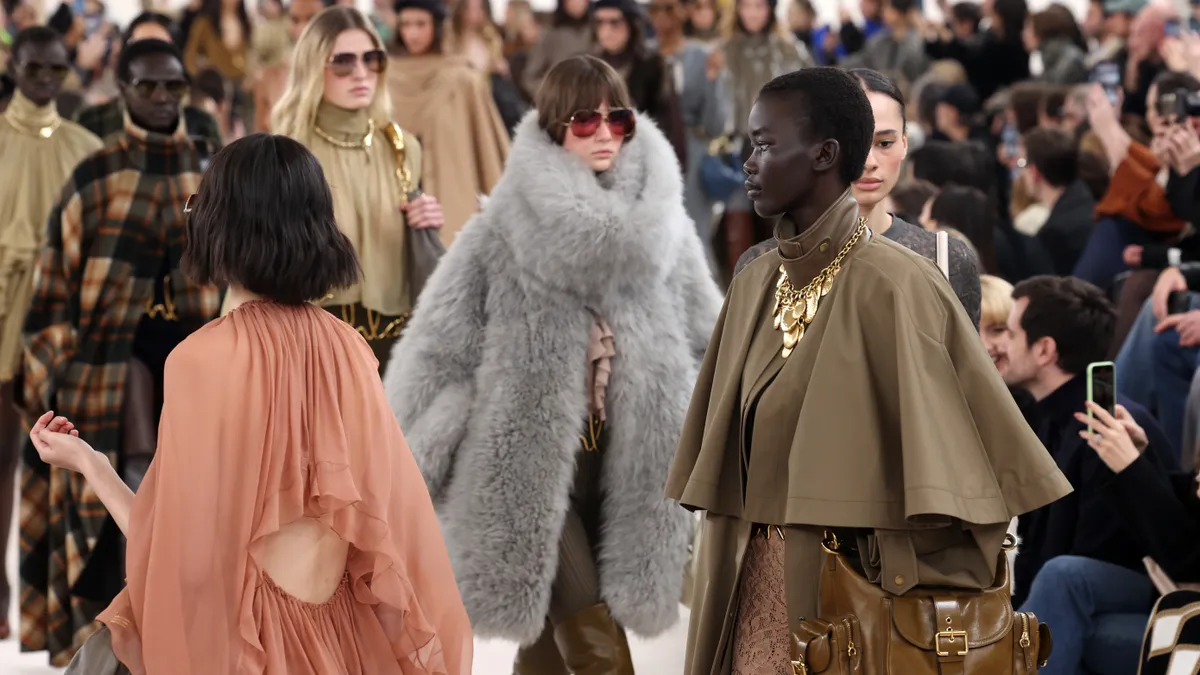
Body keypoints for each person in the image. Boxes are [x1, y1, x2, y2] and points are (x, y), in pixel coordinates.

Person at [665, 67, 1070, 675]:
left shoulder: (900, 286)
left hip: (851, 610)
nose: (748, 163)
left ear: (825, 154)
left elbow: (955, 482)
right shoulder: (754, 281)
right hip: (747, 596)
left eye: (766, 144)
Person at [32, 133, 472, 674]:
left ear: (221, 227)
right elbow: (388, 527)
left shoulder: (199, 360)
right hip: (342, 646)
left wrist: (90, 465)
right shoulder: (348, 349)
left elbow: (176, 557)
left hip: (247, 648)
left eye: (200, 205)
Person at [384, 55, 721, 674]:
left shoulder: (665, 232)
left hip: (631, 465)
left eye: (616, 119)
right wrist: (426, 449)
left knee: (545, 650)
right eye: (583, 120)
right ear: (551, 127)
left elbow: (710, 340)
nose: (602, 134)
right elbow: (436, 349)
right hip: (529, 468)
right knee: (592, 639)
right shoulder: (498, 235)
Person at [16, 38, 221, 666]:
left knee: (194, 518)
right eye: (147, 86)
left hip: (199, 363)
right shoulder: (96, 173)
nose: (162, 99)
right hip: (106, 367)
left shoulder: (212, 170)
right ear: (121, 89)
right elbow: (53, 289)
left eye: (174, 87)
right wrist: (59, 372)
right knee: (100, 527)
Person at [736, 68, 982, 328]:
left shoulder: (946, 259)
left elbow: (963, 367)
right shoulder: (761, 267)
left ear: (904, 144)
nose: (869, 162)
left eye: (884, 143)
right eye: (853, 143)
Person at [271, 6, 446, 371]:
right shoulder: (287, 150)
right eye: (343, 62)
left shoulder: (401, 146)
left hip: (393, 344)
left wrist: (425, 220)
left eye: (372, 59)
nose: (362, 73)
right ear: (313, 66)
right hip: (313, 345)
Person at [0, 24, 102, 643]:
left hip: (58, 330)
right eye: (34, 68)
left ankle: (59, 605)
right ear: (12, 65)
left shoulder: (86, 146)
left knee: (55, 466)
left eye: (55, 70)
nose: (44, 80)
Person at [386, 0, 509, 246]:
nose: (413, 33)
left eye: (421, 24)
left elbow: (485, 149)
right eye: (406, 24)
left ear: (437, 25)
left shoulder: (463, 79)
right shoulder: (385, 78)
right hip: (392, 202)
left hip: (451, 194)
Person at [74, 12, 223, 148]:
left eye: (160, 48)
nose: (151, 60)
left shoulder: (201, 126)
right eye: (139, 47)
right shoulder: (92, 121)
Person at [252, 0, 323, 132]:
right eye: (295, 20)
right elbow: (260, 133)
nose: (304, 27)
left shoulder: (336, 72)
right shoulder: (269, 77)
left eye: (310, 18)